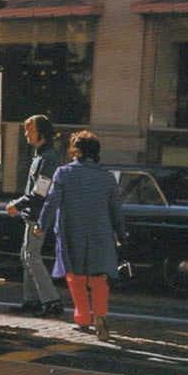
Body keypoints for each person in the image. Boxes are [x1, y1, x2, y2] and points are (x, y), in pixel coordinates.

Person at [36, 130, 127, 341]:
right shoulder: (107, 178)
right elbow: (116, 210)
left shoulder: (63, 173)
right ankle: (101, 316)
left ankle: (83, 316)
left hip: (72, 232)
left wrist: (41, 225)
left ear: (75, 151)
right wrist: (121, 234)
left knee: (75, 276)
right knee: (99, 278)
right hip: (101, 233)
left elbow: (51, 202)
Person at [5, 114, 64, 317]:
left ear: (42, 133)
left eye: (30, 130)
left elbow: (40, 191)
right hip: (35, 214)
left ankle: (51, 300)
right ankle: (32, 300)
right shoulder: (42, 156)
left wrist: (18, 205)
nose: (26, 134)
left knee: (31, 256)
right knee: (27, 256)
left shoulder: (47, 158)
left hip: (38, 215)